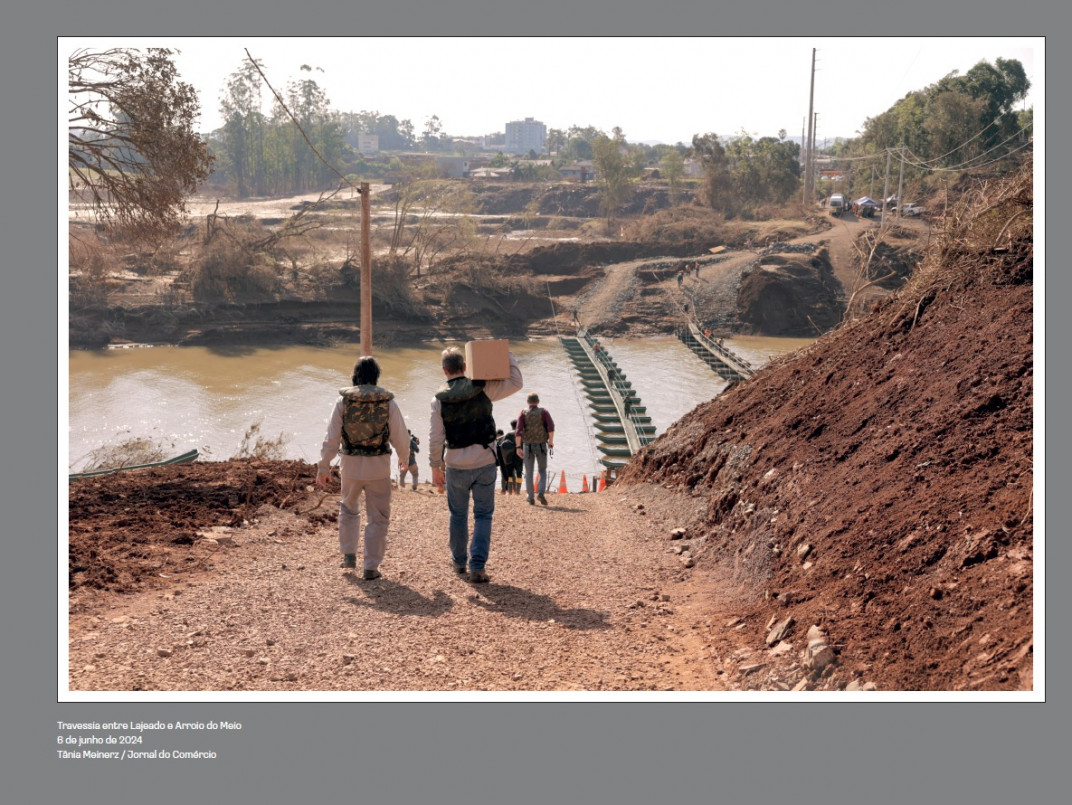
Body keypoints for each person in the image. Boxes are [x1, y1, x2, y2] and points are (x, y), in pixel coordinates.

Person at [429, 346, 523, 583]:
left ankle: (459, 563)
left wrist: (434, 467)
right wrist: (506, 354)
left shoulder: (438, 399)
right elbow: (516, 382)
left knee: (457, 515)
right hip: (484, 462)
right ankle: (477, 566)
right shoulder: (483, 388)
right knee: (483, 515)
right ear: (465, 367)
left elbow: (436, 437)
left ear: (444, 370)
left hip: (455, 464)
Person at [316, 356, 410, 580]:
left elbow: (331, 438)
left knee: (348, 509)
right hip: (379, 467)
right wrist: (404, 457)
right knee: (378, 517)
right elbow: (400, 436)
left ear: (355, 375)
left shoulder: (343, 402)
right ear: (377, 376)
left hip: (350, 466)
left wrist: (324, 466)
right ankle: (371, 566)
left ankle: (348, 555)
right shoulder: (388, 402)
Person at [516, 392, 555, 506]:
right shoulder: (544, 412)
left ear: (528, 402)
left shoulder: (523, 413)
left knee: (529, 472)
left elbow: (518, 432)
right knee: (542, 471)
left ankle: (530, 496)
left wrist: (518, 447)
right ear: (538, 402)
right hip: (541, 445)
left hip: (527, 446)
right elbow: (551, 428)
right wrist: (551, 442)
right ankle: (541, 493)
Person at [495, 426, 520, 494]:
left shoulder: (503, 440)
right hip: (503, 461)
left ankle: (514, 489)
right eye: (497, 436)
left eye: (499, 436)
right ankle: (504, 489)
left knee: (512, 475)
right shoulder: (498, 441)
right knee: (504, 475)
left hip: (508, 460)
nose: (498, 437)